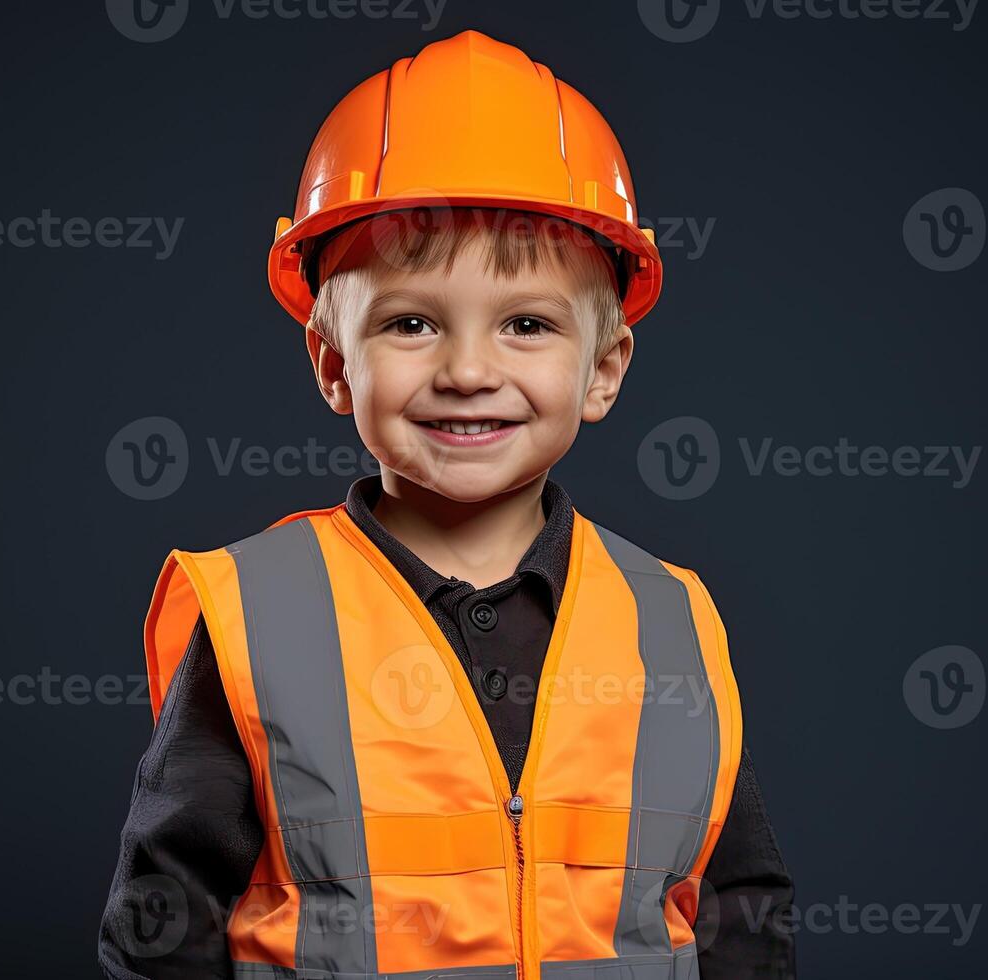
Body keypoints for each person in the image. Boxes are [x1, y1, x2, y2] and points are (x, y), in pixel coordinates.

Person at [99, 28, 794, 980]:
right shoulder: (258, 615)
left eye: (526, 325)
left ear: (603, 370)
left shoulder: (671, 621)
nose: (469, 371)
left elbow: (741, 918)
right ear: (335, 365)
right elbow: (162, 923)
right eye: (413, 323)